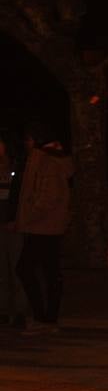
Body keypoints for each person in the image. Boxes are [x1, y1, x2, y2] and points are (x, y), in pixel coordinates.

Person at [15, 121, 73, 336]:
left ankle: (44, 317)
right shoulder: (51, 159)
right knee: (49, 271)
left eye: (29, 139)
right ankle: (47, 317)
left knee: (27, 268)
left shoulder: (45, 160)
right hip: (48, 226)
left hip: (41, 227)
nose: (25, 143)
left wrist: (27, 217)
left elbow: (46, 197)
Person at [0, 132, 25, 329]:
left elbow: (21, 197)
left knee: (16, 268)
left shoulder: (18, 169)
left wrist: (16, 218)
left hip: (13, 225)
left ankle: (19, 312)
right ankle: (4, 311)